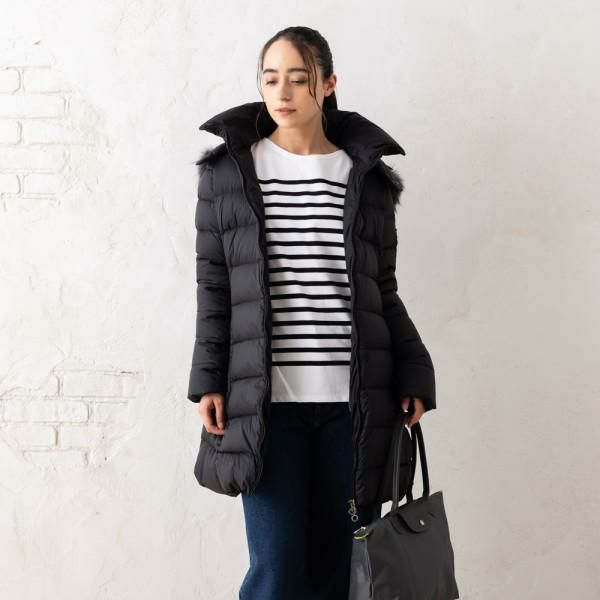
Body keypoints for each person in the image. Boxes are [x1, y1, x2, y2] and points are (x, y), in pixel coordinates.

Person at [188, 26, 436, 600]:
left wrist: (414, 373)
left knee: (340, 574)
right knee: (276, 573)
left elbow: (382, 289)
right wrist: (209, 379)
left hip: (353, 404)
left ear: (327, 84)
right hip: (266, 405)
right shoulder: (230, 174)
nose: (283, 92)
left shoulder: (365, 177)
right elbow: (214, 286)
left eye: (298, 79)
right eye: (270, 78)